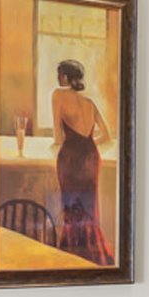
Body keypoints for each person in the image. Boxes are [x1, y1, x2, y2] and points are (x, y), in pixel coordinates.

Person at [51, 59, 114, 265]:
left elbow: (58, 138)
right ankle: (91, 254)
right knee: (88, 207)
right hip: (91, 156)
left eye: (60, 74)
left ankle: (72, 255)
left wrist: (73, 145)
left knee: (71, 207)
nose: (58, 78)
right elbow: (107, 136)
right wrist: (86, 144)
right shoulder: (89, 103)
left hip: (71, 158)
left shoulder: (58, 95)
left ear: (66, 77)